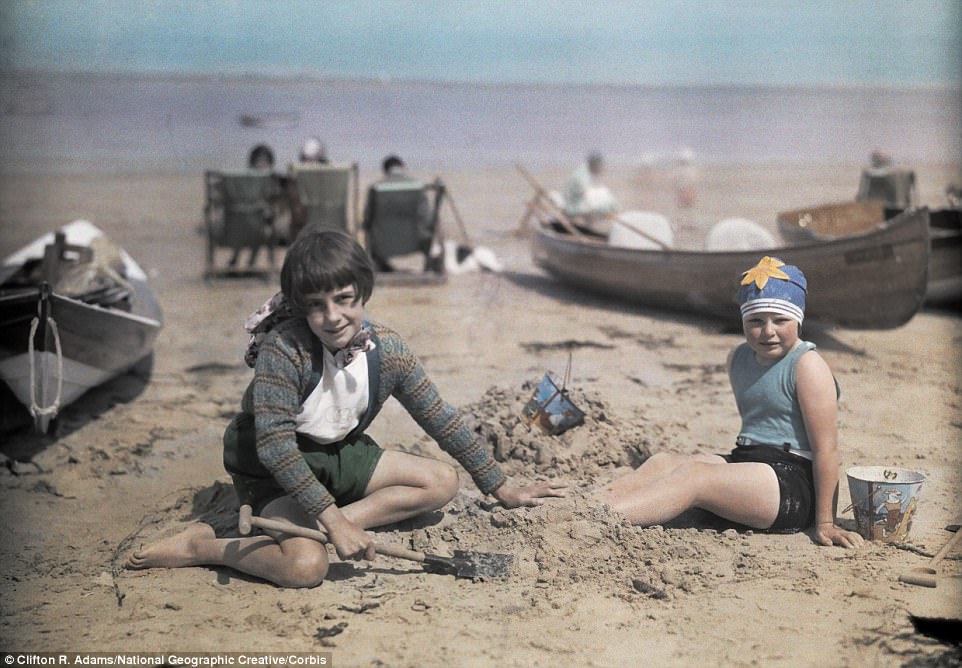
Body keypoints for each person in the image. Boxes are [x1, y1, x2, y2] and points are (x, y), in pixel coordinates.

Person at [128, 230, 566, 587]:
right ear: (300, 307)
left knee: (441, 482)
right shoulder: (285, 350)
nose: (332, 316)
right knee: (305, 569)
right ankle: (201, 546)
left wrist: (499, 485)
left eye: (344, 299)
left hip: (337, 452)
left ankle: (312, 527)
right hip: (273, 464)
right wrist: (335, 523)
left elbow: (439, 416)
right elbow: (276, 447)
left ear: (363, 294)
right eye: (316, 306)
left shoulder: (387, 349)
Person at [600, 256, 864, 548]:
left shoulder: (806, 365)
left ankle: (602, 518)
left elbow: (826, 450)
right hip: (750, 461)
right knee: (663, 463)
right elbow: (758, 429)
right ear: (742, 321)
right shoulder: (738, 358)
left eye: (780, 320)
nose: (768, 331)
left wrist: (826, 522)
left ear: (798, 320)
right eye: (755, 321)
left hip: (793, 485)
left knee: (695, 476)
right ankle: (590, 502)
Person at [361, 155, 440, 272]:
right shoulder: (417, 186)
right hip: (416, 243)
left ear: (385, 170)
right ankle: (429, 267)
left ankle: (381, 266)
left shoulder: (376, 188)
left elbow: (367, 220)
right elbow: (427, 219)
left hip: (382, 245)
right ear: (403, 167)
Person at [563, 151, 619, 235]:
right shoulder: (582, 176)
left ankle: (588, 230)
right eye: (600, 166)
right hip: (574, 206)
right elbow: (589, 198)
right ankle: (585, 232)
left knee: (608, 203)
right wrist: (605, 210)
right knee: (605, 205)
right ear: (594, 165)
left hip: (581, 204)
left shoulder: (587, 172)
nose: (601, 168)